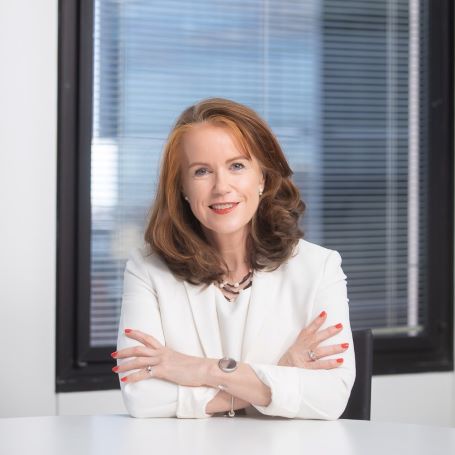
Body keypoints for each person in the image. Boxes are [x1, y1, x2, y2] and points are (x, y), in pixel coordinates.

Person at [112, 98, 355, 419]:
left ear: (263, 178)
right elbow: (143, 397)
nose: (221, 187)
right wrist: (277, 374)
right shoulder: (147, 269)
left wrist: (206, 370)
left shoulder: (318, 268)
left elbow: (330, 397)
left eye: (237, 166)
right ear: (182, 187)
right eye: (201, 171)